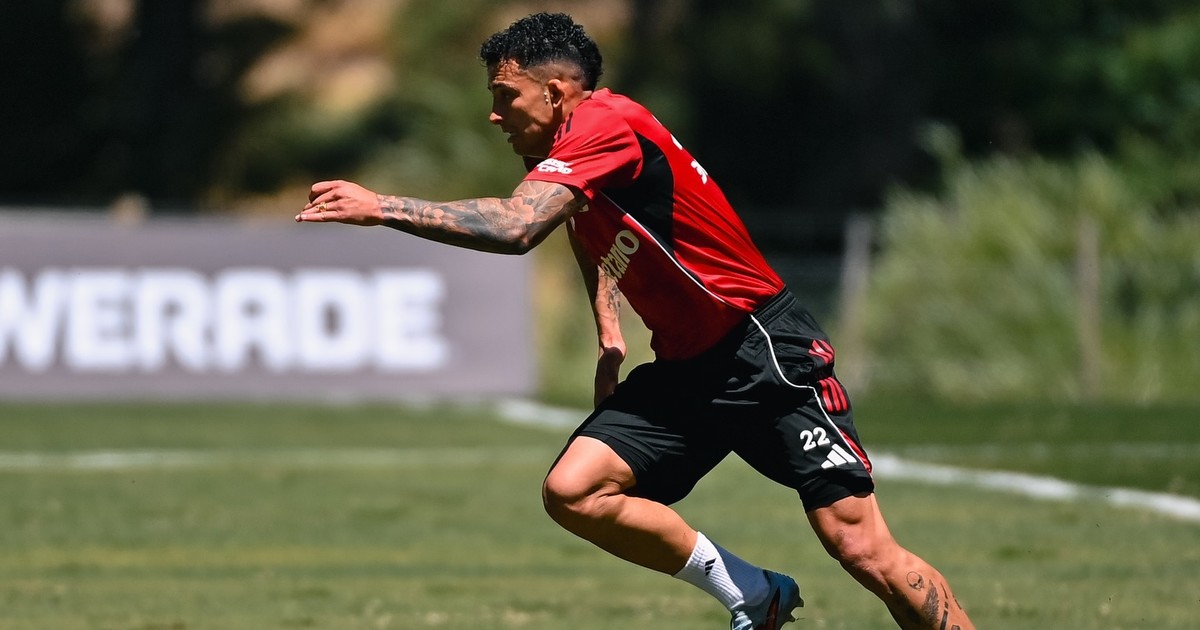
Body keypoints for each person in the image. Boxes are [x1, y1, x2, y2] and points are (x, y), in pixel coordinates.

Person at [296, 12, 975, 630]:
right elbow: (581, 225)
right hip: (687, 368)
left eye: (506, 96)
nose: (495, 115)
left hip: (762, 350)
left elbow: (518, 225)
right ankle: (752, 593)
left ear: (555, 93)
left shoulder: (606, 124)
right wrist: (608, 329)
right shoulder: (560, 151)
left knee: (860, 546)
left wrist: (383, 206)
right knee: (574, 490)